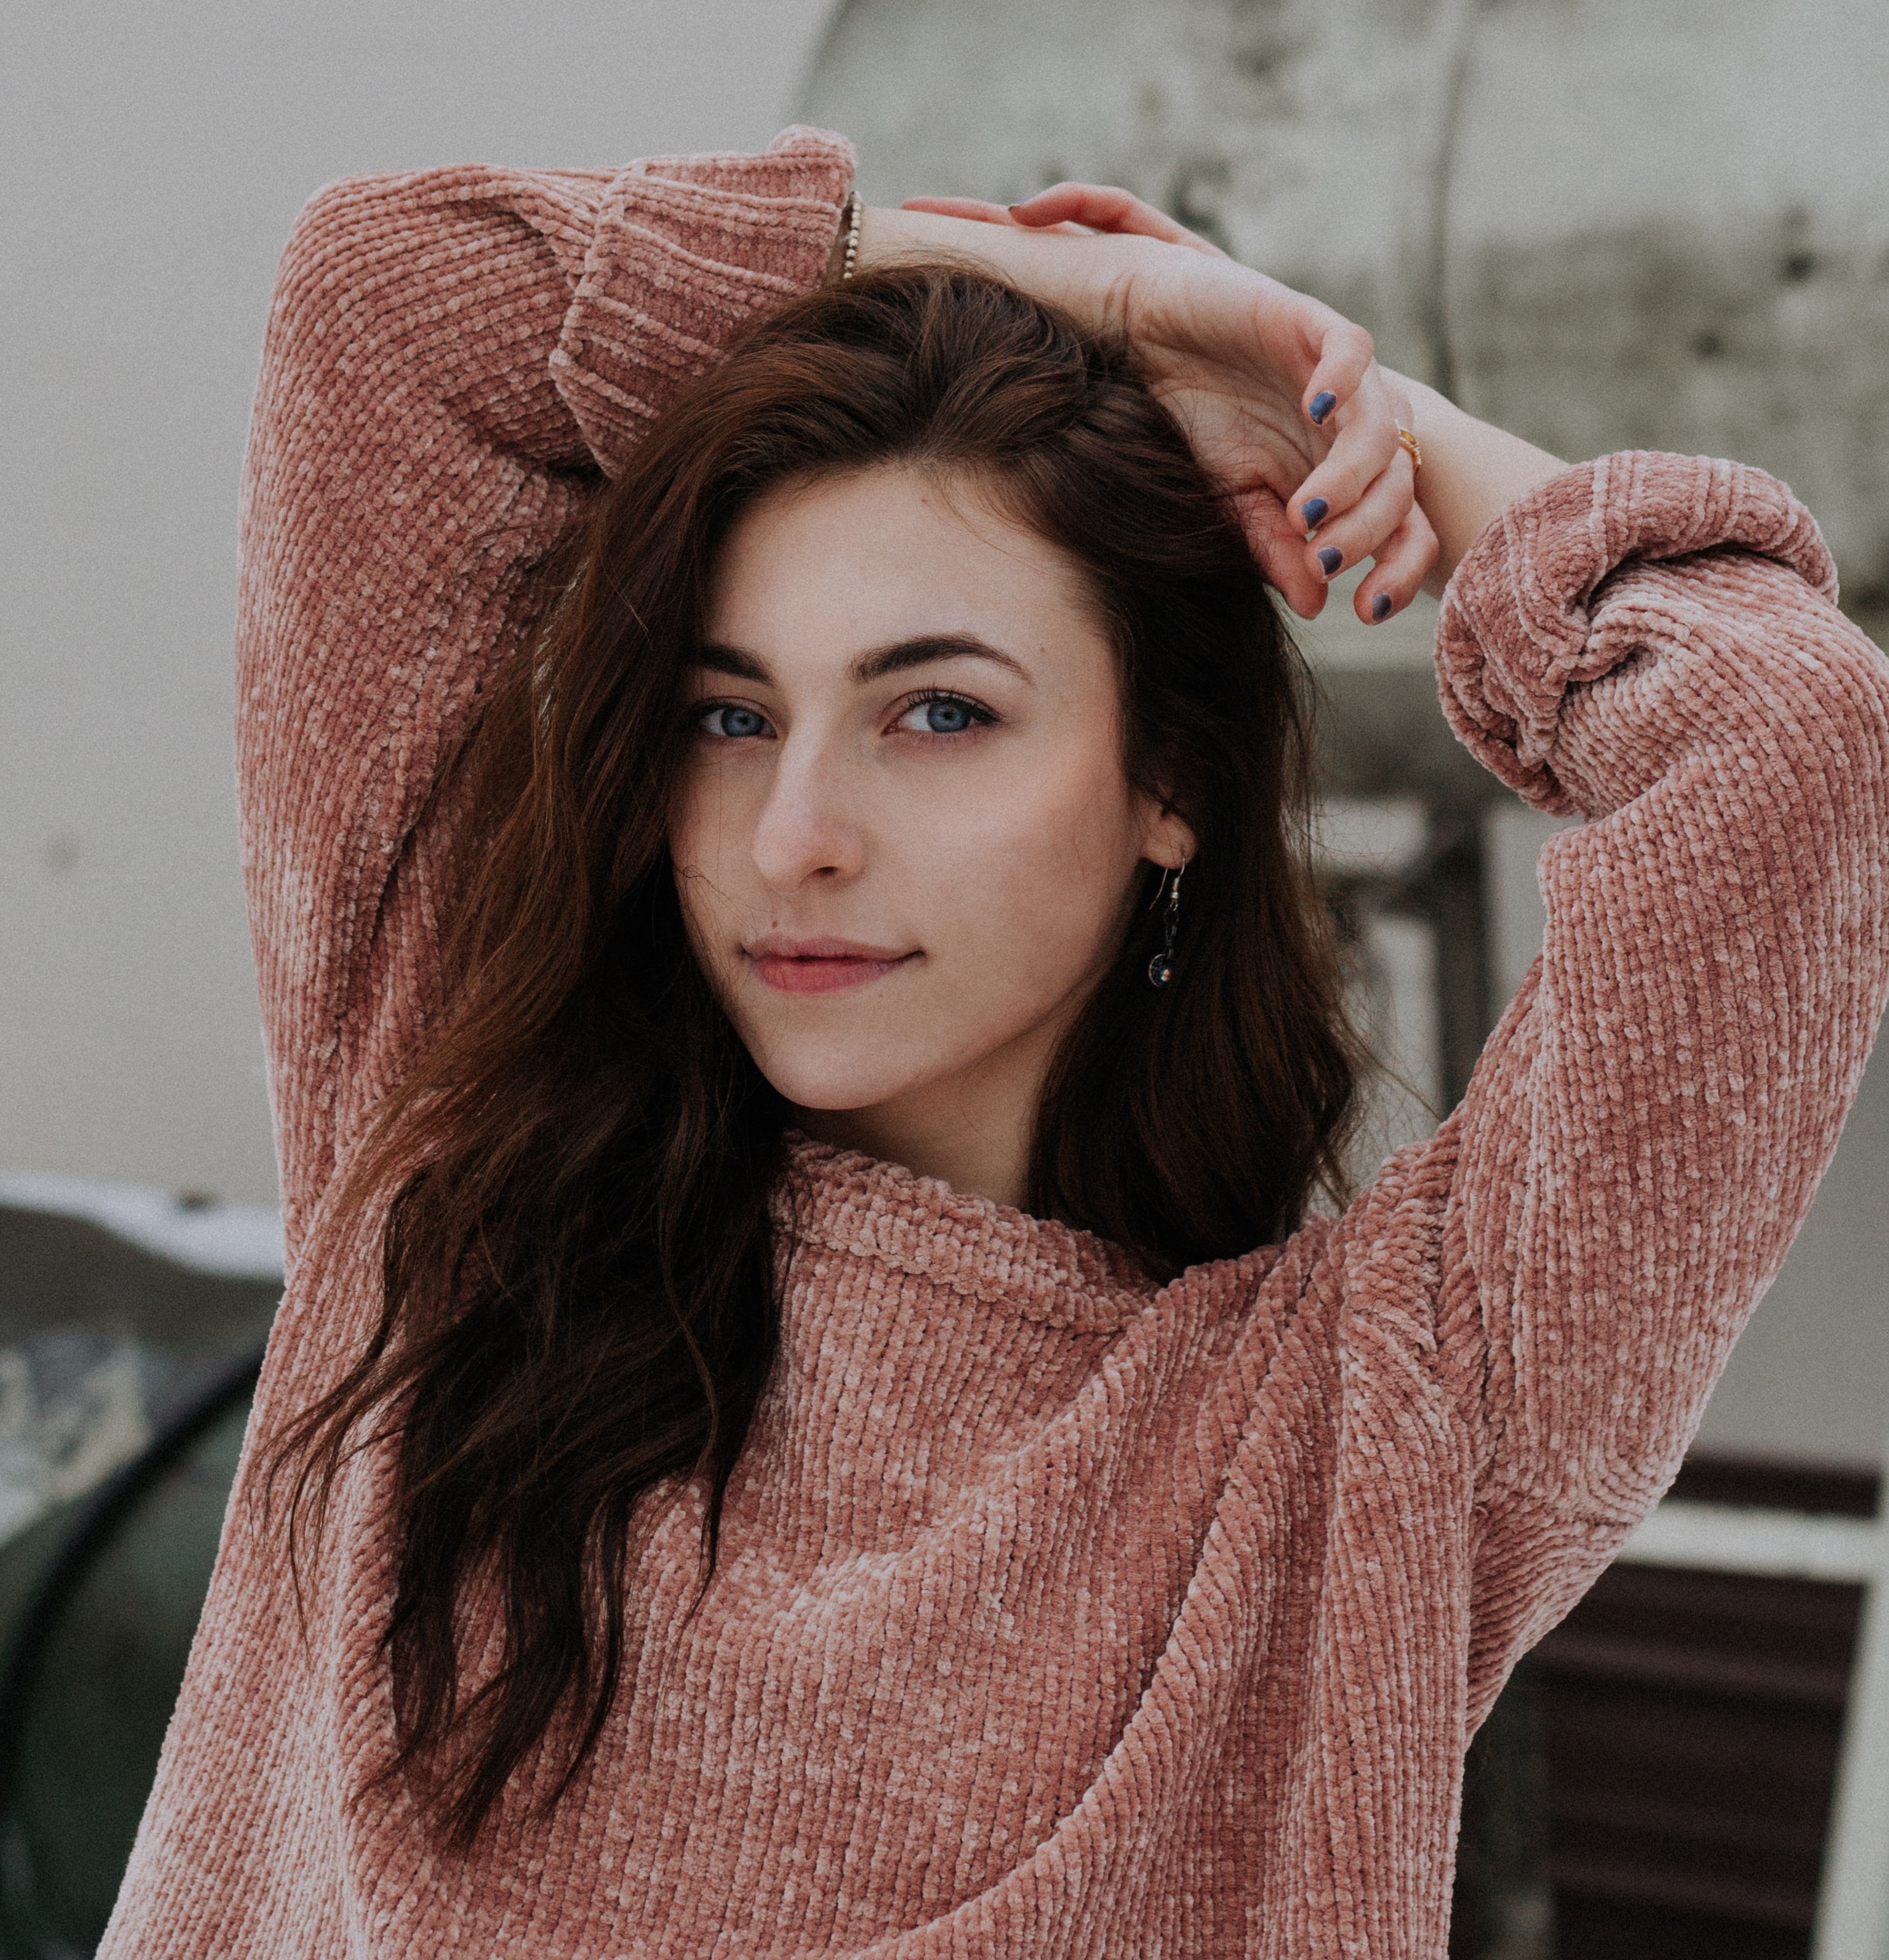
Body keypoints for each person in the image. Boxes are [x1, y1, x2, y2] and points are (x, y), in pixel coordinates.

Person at [100, 128, 1889, 1959]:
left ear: (1170, 780)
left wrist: (1369, 424)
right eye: (731, 715)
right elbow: (388, 300)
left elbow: (1787, 735)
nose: (794, 829)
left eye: (937, 709)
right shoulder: (468, 1192)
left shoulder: (1355, 1446)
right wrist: (1071, 298)